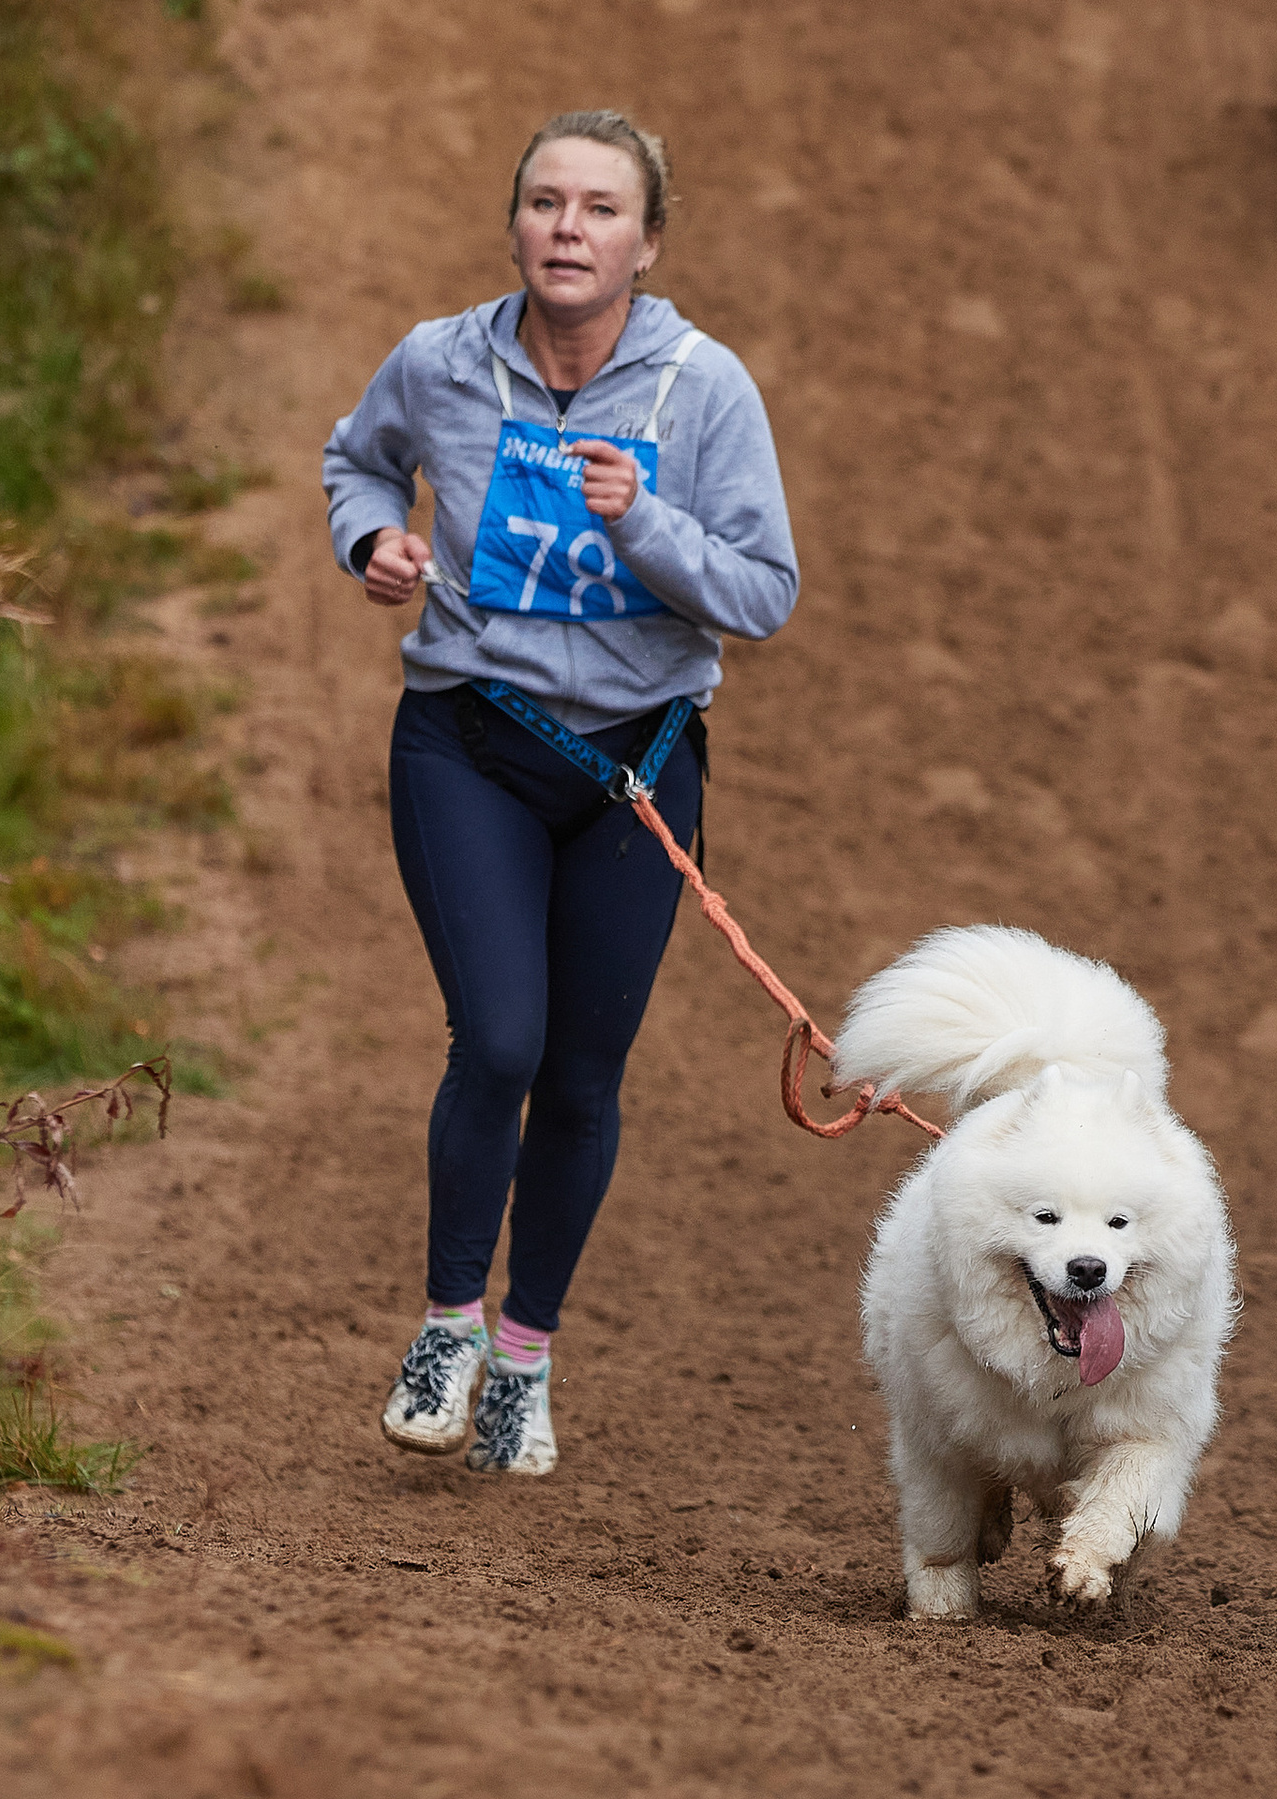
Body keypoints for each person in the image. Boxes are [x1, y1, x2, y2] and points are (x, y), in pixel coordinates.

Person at [322, 110, 797, 1477]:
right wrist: (375, 539)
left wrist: (641, 525)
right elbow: (356, 456)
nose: (568, 230)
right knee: (505, 1040)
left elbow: (765, 593)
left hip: (635, 775)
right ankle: (447, 1326)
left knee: (586, 1077)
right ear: (515, 224)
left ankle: (526, 1356)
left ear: (648, 241)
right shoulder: (440, 362)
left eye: (600, 210)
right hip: (469, 737)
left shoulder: (705, 392)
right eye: (545, 204)